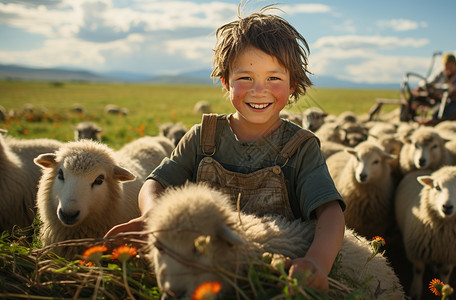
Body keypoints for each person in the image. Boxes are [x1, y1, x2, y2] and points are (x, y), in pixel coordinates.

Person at [105, 8, 345, 292]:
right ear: (225, 81)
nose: (258, 91)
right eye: (245, 78)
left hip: (271, 273)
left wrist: (316, 261)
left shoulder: (301, 148)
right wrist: (154, 216)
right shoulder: (202, 138)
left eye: (273, 78)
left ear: (292, 84)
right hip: (199, 270)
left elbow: (330, 211)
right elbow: (155, 183)